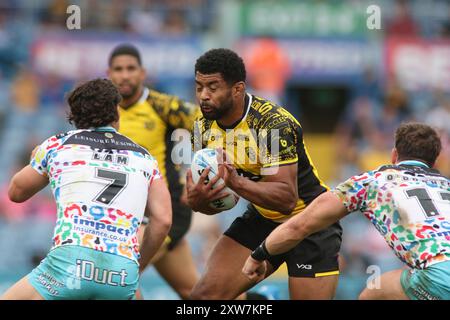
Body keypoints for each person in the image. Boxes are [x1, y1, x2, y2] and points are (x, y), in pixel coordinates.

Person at [186, 48, 342, 300]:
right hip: (262, 219)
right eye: (199, 87)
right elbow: (200, 203)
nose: (203, 96)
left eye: (213, 87)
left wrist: (234, 182)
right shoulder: (201, 127)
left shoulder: (272, 124)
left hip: (310, 222)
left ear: (237, 89)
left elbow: (286, 199)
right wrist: (199, 199)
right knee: (203, 299)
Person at [0, 79, 172, 300]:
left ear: (74, 116)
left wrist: (37, 161)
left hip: (69, 265)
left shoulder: (58, 145)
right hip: (121, 271)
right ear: (116, 113)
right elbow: (164, 219)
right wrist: (138, 265)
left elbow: (16, 193)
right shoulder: (144, 157)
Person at [243, 122, 450, 300]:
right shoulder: (446, 185)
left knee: (373, 294)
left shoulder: (371, 182)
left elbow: (301, 224)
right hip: (435, 271)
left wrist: (259, 254)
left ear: (394, 155)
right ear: (436, 161)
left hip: (439, 275)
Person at [107, 44, 200, 299]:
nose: (125, 75)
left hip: (164, 210)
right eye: (118, 69)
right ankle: (265, 301)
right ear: (109, 73)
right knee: (198, 295)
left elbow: (209, 128)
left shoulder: (164, 106)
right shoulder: (103, 111)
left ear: (142, 73)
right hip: (125, 216)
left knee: (118, 278)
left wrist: (196, 173)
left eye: (130, 69)